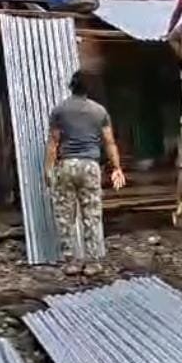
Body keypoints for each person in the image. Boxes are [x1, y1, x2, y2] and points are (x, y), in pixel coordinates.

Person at [45, 71, 126, 267]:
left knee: (65, 216)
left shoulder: (59, 110)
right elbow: (109, 142)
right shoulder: (99, 111)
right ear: (89, 88)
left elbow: (53, 143)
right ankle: (93, 263)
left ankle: (72, 261)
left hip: (66, 166)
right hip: (90, 166)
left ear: (71, 86)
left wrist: (48, 170)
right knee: (92, 214)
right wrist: (117, 167)